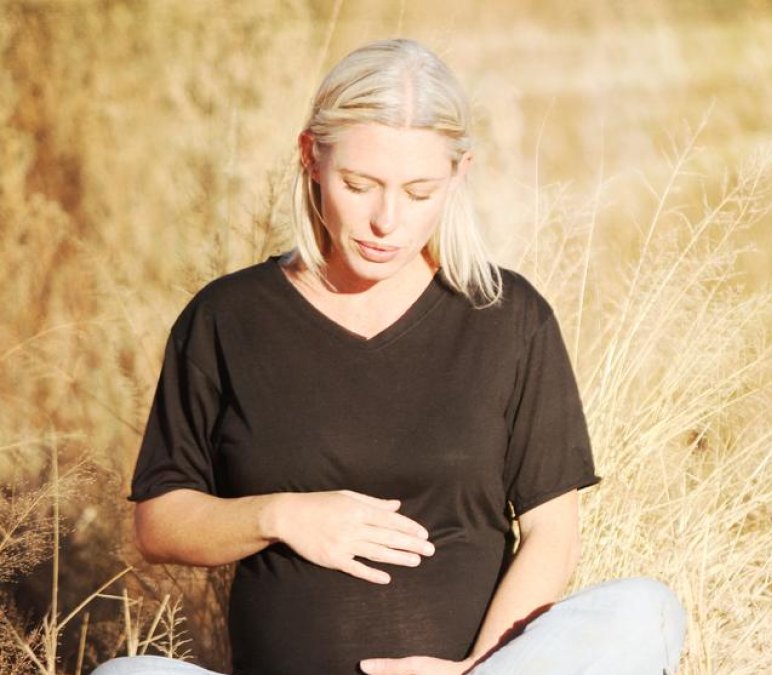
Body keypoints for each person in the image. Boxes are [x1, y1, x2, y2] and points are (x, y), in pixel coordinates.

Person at [93, 38, 685, 675]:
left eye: (419, 191)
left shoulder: (508, 315)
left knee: (645, 609)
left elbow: (552, 532)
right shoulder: (226, 317)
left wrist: (469, 671)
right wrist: (282, 514)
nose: (386, 220)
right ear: (310, 158)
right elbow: (159, 524)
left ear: (459, 175)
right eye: (360, 184)